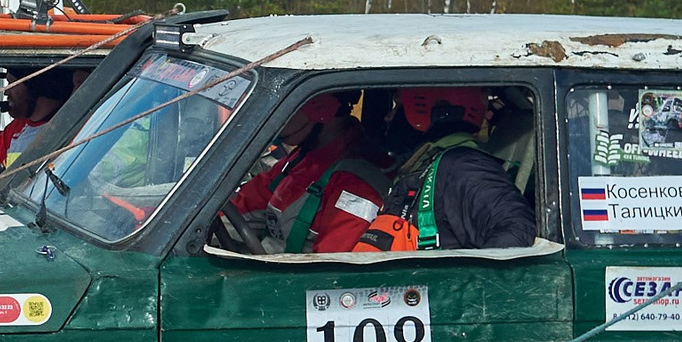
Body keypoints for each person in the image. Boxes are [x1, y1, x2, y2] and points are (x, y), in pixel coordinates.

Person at [353, 88, 537, 253]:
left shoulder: (463, 166)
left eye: (398, 104)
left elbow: (518, 231)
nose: (388, 116)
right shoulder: (428, 162)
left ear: (429, 108)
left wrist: (460, 288)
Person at [226, 93, 396, 253]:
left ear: (319, 110)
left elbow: (330, 272)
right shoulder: (305, 158)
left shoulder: (357, 185)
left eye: (285, 109)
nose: (273, 120)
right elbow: (241, 206)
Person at [0, 68, 83, 167]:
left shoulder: (75, 129)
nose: (6, 92)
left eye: (12, 83)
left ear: (34, 86)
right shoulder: (17, 128)